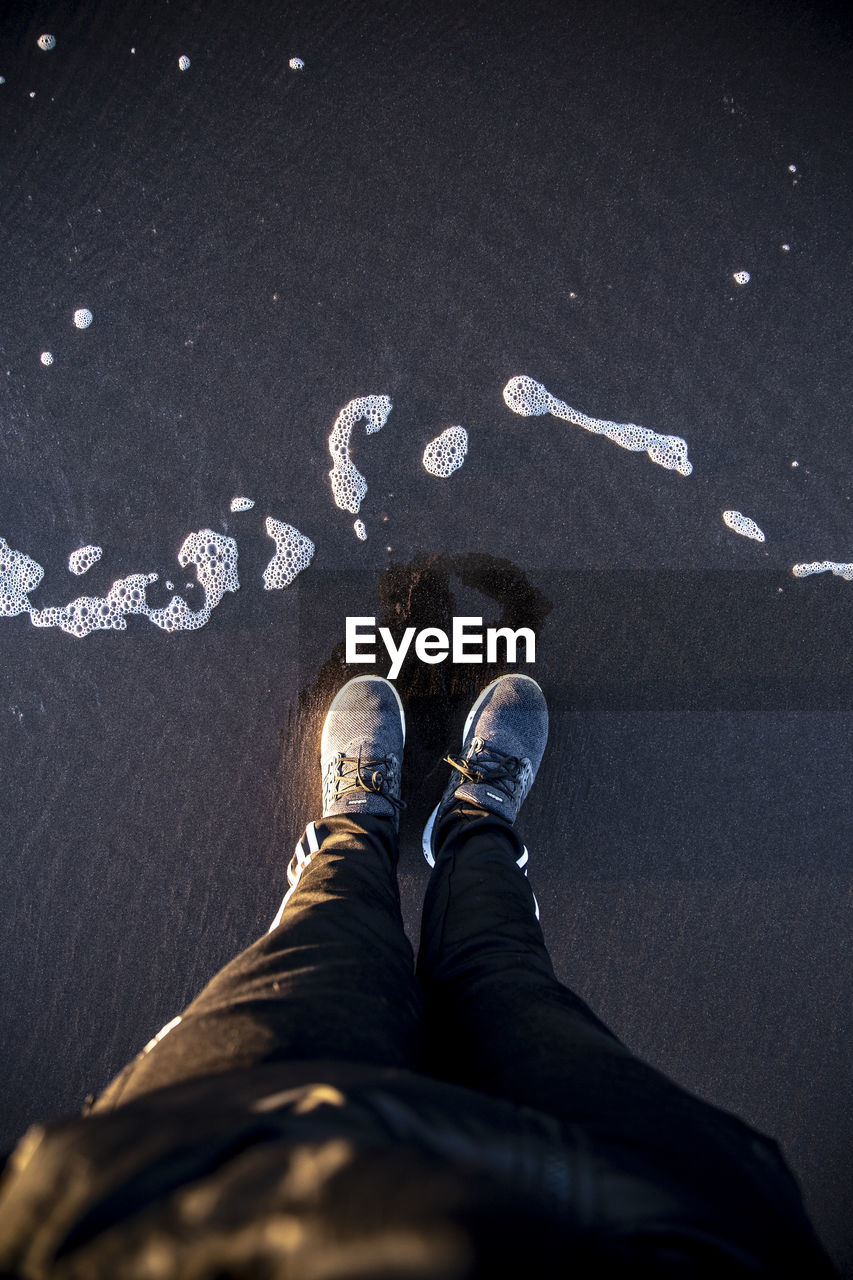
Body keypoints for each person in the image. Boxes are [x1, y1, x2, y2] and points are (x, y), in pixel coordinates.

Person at [0, 675, 837, 1277]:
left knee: (325, 941)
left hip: (192, 1183)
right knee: (503, 972)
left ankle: (356, 833)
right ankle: (472, 830)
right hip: (642, 1215)